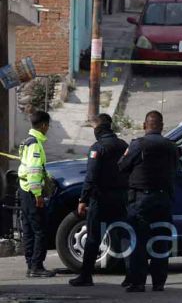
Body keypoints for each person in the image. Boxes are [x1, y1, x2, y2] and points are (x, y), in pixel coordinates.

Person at [119, 111, 178, 293]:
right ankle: (159, 282)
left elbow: (122, 166)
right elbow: (175, 169)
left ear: (145, 126)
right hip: (163, 199)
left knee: (138, 241)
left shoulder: (138, 145)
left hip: (141, 200)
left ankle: (138, 282)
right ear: (161, 126)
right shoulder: (171, 146)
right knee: (161, 240)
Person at [69, 114, 129, 287]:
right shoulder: (123, 145)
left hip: (101, 198)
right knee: (123, 235)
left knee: (93, 238)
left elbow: (91, 176)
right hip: (121, 197)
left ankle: (86, 276)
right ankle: (131, 275)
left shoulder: (98, 147)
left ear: (98, 128)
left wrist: (83, 199)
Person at [17, 110, 56, 278]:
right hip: (32, 192)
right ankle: (36, 267)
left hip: (24, 190)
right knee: (40, 231)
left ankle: (30, 265)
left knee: (29, 230)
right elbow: (33, 171)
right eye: (48, 125)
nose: (48, 128)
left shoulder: (28, 141)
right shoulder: (35, 145)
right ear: (44, 125)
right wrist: (38, 195)